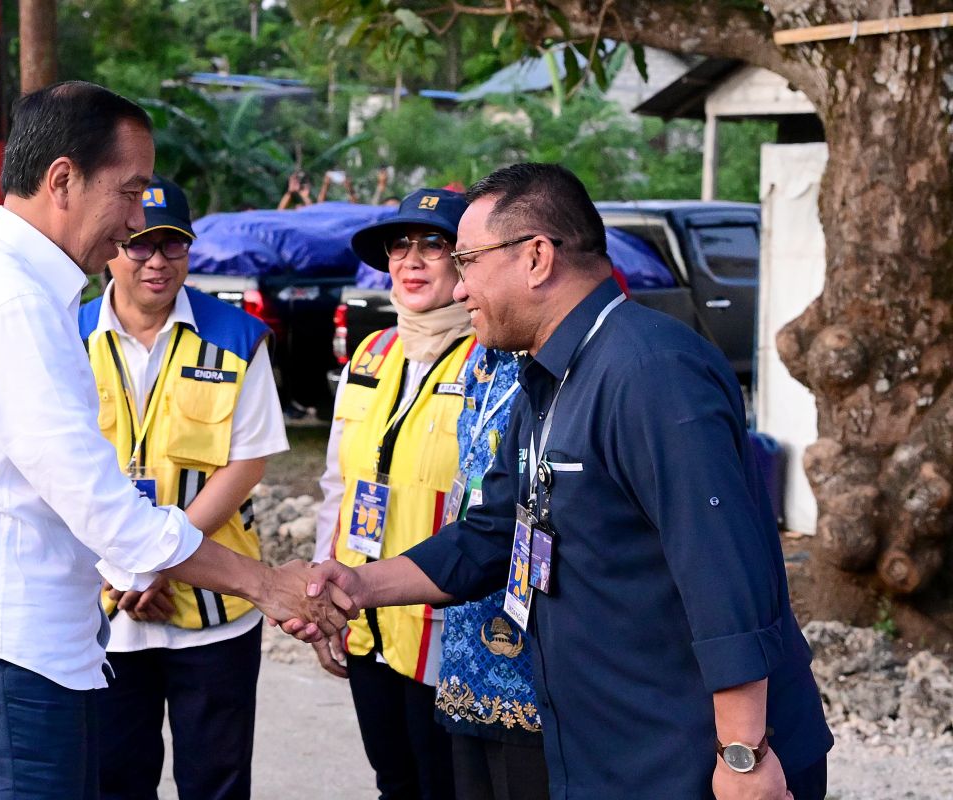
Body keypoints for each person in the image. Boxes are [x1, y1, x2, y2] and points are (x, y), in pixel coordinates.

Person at [297, 163, 833, 800]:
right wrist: (358, 585)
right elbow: (490, 536)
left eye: (466, 260)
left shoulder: (650, 371)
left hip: (691, 756)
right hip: (602, 745)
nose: (460, 286)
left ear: (536, 257)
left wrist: (743, 753)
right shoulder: (546, 378)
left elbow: (724, 572)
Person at [0, 81, 352, 800]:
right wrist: (266, 584)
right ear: (63, 180)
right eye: (130, 191)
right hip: (17, 650)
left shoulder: (7, 285)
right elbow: (99, 503)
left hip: (22, 644)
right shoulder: (12, 300)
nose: (138, 219)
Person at [79, 176, 289, 800]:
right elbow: (56, 470)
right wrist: (131, 569)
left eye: (172, 245)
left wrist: (159, 564)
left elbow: (245, 463)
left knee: (217, 785)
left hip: (215, 609)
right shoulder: (65, 335)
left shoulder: (237, 336)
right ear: (113, 246)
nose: (155, 261)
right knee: (115, 781)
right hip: (104, 604)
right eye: (139, 245)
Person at [312, 187, 474, 800]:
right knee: (394, 783)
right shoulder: (371, 354)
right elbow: (338, 485)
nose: (411, 260)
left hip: (447, 628)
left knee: (447, 787)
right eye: (400, 246)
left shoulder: (492, 362)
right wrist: (325, 597)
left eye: (435, 245)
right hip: (366, 620)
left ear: (467, 261)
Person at [434, 342, 548, 800]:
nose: (463, 290)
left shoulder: (569, 363)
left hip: (534, 658)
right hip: (467, 648)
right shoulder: (482, 359)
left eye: (466, 265)